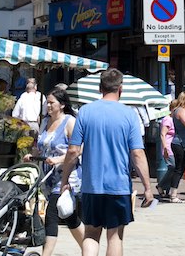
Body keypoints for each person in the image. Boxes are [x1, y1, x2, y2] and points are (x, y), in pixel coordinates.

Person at [59, 68, 153, 256]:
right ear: (121, 88)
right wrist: (147, 187)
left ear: (100, 88)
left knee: (91, 234)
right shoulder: (129, 114)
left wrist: (64, 179)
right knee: (115, 236)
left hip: (92, 185)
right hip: (118, 186)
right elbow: (137, 154)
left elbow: (73, 150)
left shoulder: (85, 112)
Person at [25, 88, 85, 256]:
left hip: (68, 176)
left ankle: (46, 254)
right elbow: (40, 147)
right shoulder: (45, 122)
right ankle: (88, 249)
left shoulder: (70, 122)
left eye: (52, 103)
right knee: (68, 215)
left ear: (62, 104)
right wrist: (33, 155)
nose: (48, 106)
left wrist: (59, 160)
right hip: (48, 177)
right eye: (47, 103)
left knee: (51, 213)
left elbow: (77, 149)